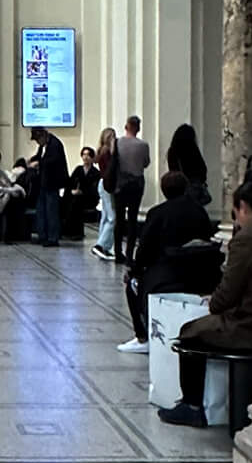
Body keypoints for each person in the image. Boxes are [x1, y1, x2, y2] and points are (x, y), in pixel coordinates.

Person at [161, 174, 252, 425]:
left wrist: (213, 302)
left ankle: (192, 405)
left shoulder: (247, 238)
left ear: (243, 208)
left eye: (235, 213)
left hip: (247, 324)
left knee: (189, 332)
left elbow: (226, 294)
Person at [118, 169, 218, 350]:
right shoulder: (200, 211)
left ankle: (142, 337)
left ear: (164, 191)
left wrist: (134, 269)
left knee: (132, 285)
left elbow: (144, 250)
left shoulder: (158, 213)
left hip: (168, 275)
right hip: (201, 274)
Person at [111, 115, 150, 264]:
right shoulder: (143, 145)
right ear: (138, 128)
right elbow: (146, 163)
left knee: (119, 219)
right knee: (132, 219)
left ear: (126, 127)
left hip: (120, 185)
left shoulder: (117, 143)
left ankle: (117, 252)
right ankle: (129, 255)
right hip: (136, 184)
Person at [28, 123, 69, 245]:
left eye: (37, 140)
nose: (37, 143)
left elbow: (53, 161)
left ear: (42, 136)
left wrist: (39, 163)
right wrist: (32, 159)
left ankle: (52, 237)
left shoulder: (55, 144)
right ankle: (42, 235)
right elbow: (40, 156)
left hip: (52, 182)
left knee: (52, 211)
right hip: (43, 182)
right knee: (41, 210)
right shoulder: (44, 145)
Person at [166, 121, 214, 219]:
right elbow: (203, 170)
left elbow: (173, 170)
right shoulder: (194, 151)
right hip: (195, 188)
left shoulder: (173, 152)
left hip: (180, 188)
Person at [91, 126, 119, 259]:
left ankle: (104, 246)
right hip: (108, 184)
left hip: (102, 183)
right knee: (113, 218)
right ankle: (101, 245)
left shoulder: (101, 151)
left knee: (105, 216)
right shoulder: (108, 152)